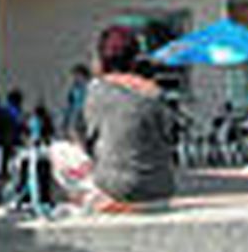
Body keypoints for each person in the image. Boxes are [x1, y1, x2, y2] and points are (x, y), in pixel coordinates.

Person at [49, 24, 176, 211]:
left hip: (119, 189)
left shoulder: (96, 91)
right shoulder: (155, 91)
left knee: (58, 151)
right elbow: (169, 137)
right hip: (161, 191)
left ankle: (101, 201)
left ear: (101, 59)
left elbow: (80, 141)